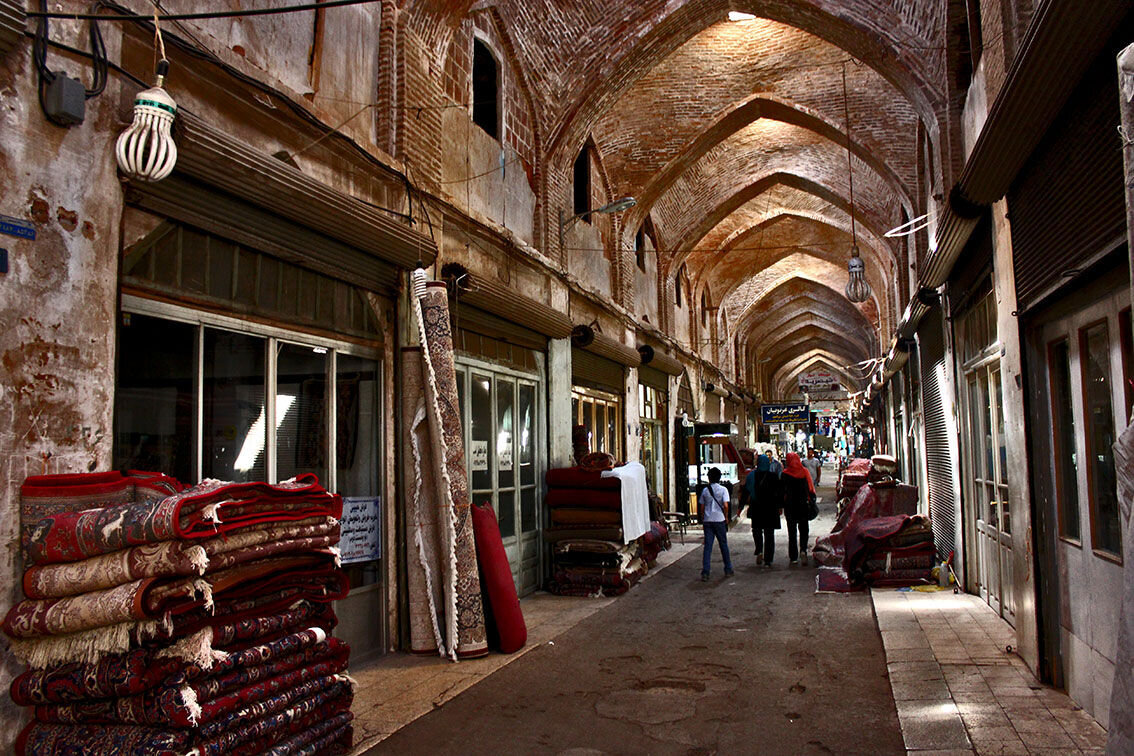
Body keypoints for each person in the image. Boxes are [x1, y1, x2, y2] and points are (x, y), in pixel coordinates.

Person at [745, 454, 782, 568]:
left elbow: (746, 491)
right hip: (770, 509)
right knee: (769, 534)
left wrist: (740, 507)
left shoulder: (751, 476)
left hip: (757, 508)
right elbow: (779, 493)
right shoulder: (774, 477)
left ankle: (759, 550)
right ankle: (768, 560)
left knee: (756, 530)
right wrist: (780, 507)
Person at [699, 467, 734, 581]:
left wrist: (703, 517)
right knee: (723, 544)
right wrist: (726, 517)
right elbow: (726, 505)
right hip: (719, 520)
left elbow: (702, 506)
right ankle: (728, 568)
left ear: (709, 478)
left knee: (708, 546)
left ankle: (705, 572)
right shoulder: (723, 490)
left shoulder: (705, 490)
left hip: (708, 521)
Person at [781, 452, 816, 566]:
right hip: (803, 506)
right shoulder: (804, 471)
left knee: (792, 532)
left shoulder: (785, 474)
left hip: (790, 506)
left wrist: (781, 505)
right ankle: (803, 550)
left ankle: (793, 557)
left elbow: (782, 492)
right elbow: (811, 488)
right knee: (804, 529)